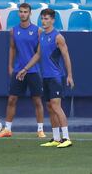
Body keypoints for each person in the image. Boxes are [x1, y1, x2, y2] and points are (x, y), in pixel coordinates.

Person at [17, 8, 74, 148]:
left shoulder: (58, 37)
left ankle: (66, 138)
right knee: (49, 107)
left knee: (56, 106)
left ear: (53, 20)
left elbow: (66, 56)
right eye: (42, 18)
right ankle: (55, 138)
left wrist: (70, 76)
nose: (44, 21)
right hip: (45, 77)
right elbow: (38, 55)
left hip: (55, 77)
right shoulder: (41, 35)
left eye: (47, 18)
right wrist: (25, 69)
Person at [0, 3, 46, 138]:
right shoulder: (13, 31)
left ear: (30, 13)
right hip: (17, 71)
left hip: (33, 71)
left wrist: (26, 68)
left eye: (25, 12)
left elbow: (39, 53)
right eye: (21, 11)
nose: (23, 14)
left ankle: (40, 129)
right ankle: (7, 129)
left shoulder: (38, 31)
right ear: (18, 13)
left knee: (37, 100)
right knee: (12, 99)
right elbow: (12, 48)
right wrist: (10, 67)